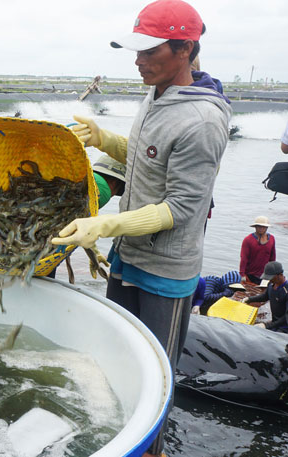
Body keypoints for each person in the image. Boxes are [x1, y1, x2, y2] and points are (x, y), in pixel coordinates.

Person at [50, 2, 232, 456]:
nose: (138, 60)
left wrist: (105, 222)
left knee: (155, 376)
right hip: (128, 256)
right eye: (137, 50)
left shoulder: (204, 121)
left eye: (149, 51)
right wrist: (105, 139)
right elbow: (150, 155)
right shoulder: (158, 91)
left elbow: (181, 207)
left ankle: (152, 451)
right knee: (116, 362)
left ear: (186, 48)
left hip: (166, 271)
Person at [242, 261, 288, 333]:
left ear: (280, 275)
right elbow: (265, 296)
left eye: (271, 277)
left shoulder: (286, 290)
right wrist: (249, 299)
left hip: (284, 327)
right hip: (274, 322)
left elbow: (286, 317)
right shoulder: (271, 284)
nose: (269, 279)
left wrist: (266, 326)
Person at [240, 215, 276, 284]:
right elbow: (244, 258)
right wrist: (242, 274)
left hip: (265, 275)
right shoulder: (248, 240)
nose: (261, 229)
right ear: (255, 227)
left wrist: (272, 273)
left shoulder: (271, 239)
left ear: (267, 227)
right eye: (259, 226)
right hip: (250, 274)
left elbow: (272, 258)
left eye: (263, 227)